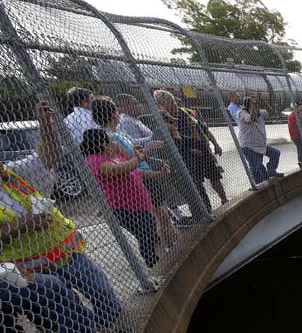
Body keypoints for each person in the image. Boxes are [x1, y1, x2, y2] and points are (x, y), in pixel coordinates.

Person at [0, 102, 108, 333]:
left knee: (67, 294)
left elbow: (46, 158)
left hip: (55, 249)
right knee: (53, 290)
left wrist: (46, 124)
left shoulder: (9, 173)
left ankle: (87, 329)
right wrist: (26, 224)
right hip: (20, 263)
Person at [91, 97, 178, 250]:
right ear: (113, 114)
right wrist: (146, 150)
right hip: (142, 176)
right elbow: (129, 161)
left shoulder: (116, 134)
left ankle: (171, 243)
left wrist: (137, 150)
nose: (119, 113)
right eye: (116, 110)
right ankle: (169, 245)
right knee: (161, 214)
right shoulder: (111, 138)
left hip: (144, 174)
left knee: (162, 213)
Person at [81, 128, 162, 268]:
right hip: (123, 207)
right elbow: (122, 169)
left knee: (149, 231)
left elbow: (135, 171)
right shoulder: (94, 160)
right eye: (110, 140)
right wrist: (143, 155)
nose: (114, 142)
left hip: (139, 204)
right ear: (103, 144)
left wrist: (158, 174)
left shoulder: (111, 156)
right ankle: (151, 262)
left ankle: (152, 259)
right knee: (146, 233)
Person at [153, 90, 228, 210]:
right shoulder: (163, 120)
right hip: (188, 158)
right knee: (197, 185)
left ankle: (224, 199)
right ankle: (204, 210)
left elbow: (203, 129)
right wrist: (191, 150)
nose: (175, 106)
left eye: (174, 102)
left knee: (214, 176)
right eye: (170, 103)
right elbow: (175, 145)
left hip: (202, 149)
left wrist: (214, 145)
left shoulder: (185, 112)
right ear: (162, 105)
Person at [235, 92, 282, 184]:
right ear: (249, 108)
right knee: (257, 166)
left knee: (275, 154)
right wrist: (254, 104)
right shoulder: (242, 114)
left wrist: (262, 100)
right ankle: (260, 183)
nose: (258, 110)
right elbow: (251, 118)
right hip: (248, 146)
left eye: (257, 108)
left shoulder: (260, 113)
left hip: (260, 145)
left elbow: (270, 111)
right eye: (255, 107)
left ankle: (271, 171)